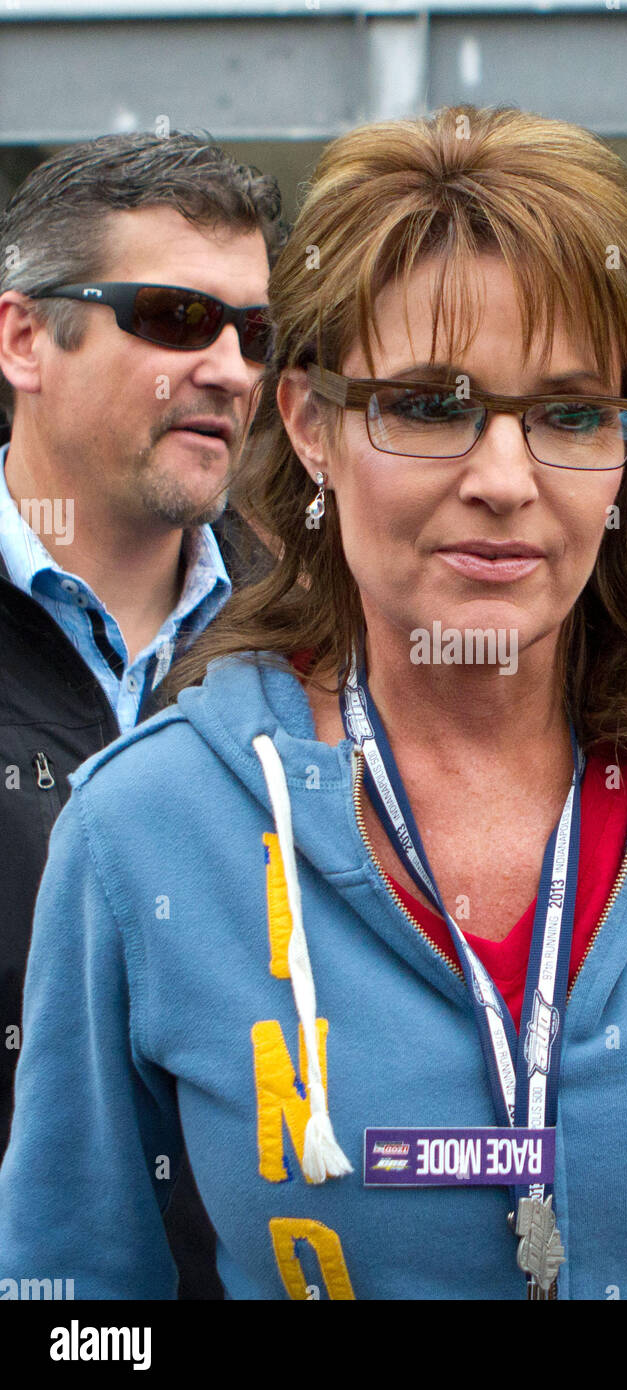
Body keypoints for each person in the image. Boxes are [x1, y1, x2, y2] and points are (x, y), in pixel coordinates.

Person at [0, 104, 627, 1301]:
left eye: (571, 413)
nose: (503, 480)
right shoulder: (143, 824)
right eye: (431, 407)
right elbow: (74, 1303)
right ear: (312, 427)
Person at [0, 130, 284, 1296]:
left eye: (254, 333)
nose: (229, 367)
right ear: (24, 337)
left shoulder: (324, 645)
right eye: (173, 316)